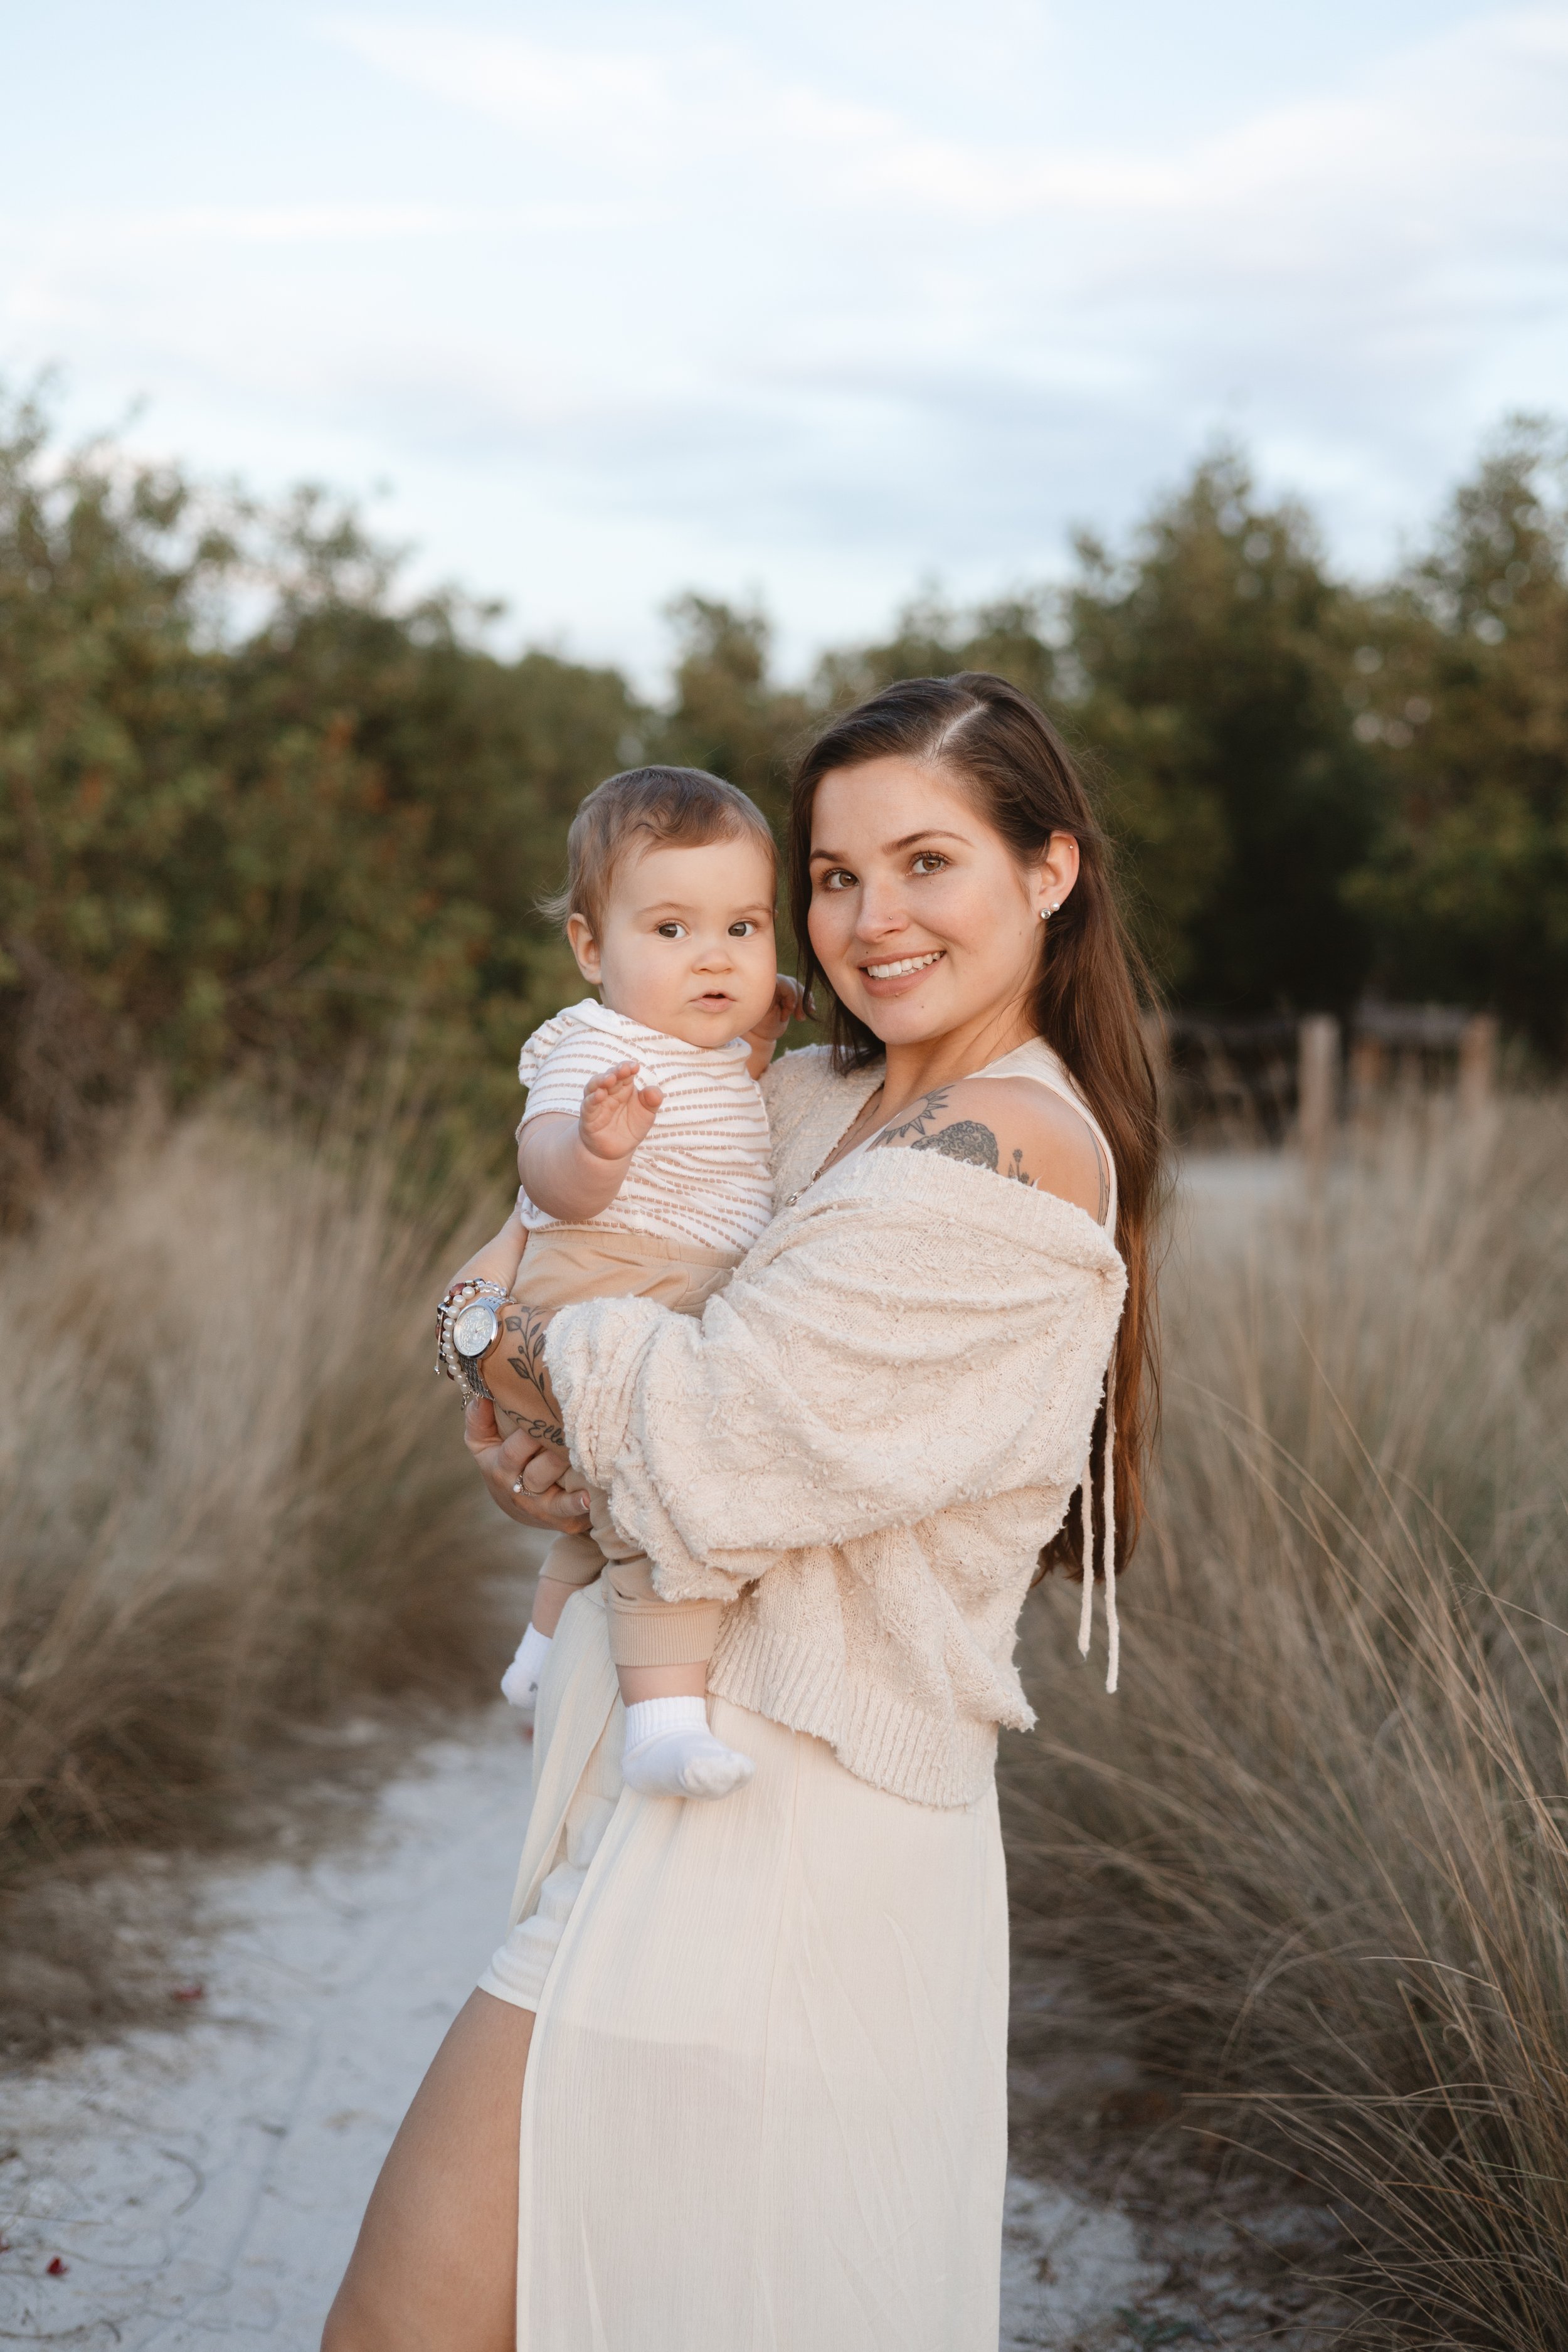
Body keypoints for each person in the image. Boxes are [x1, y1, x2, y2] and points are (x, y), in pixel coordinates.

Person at [323, 672, 1162, 2352]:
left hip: (791, 1836)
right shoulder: (796, 1099)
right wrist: (498, 1362)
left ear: (1047, 868)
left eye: (926, 861)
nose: (870, 918)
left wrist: (515, 1348)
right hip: (692, 1803)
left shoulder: (1002, 1157)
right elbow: (526, 1278)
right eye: (836, 877)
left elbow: (702, 1431)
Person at [439, 763, 799, 1799]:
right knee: (655, 1506)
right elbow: (541, 1169)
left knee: (604, 1500)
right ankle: (664, 1721)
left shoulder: (715, 1049)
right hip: (612, 1274)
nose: (715, 958)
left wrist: (762, 1039)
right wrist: (593, 1152)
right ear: (592, 949)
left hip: (668, 1282)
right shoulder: (593, 1047)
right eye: (673, 930)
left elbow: (724, 1123)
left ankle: (541, 1646)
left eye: (743, 927)